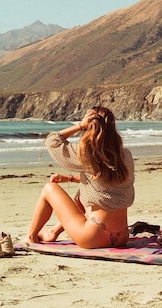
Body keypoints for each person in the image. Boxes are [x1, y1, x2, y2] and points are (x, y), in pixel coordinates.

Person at [23, 106, 135, 249]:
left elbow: (52, 141)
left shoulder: (87, 154)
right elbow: (104, 183)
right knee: (83, 192)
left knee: (48, 189)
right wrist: (69, 178)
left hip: (94, 236)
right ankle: (53, 232)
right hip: (122, 236)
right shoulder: (125, 156)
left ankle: (31, 236)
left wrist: (80, 125)